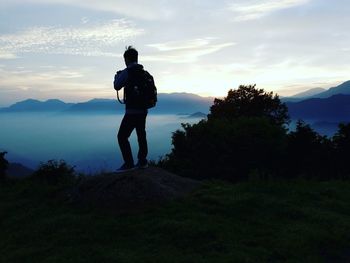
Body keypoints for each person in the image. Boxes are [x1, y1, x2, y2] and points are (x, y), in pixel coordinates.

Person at [114, 46, 151, 172]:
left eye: (125, 59)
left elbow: (117, 86)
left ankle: (129, 163)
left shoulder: (127, 72)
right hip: (144, 109)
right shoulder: (145, 73)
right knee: (141, 134)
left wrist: (116, 77)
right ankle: (142, 161)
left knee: (122, 136)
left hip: (131, 111)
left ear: (127, 58)